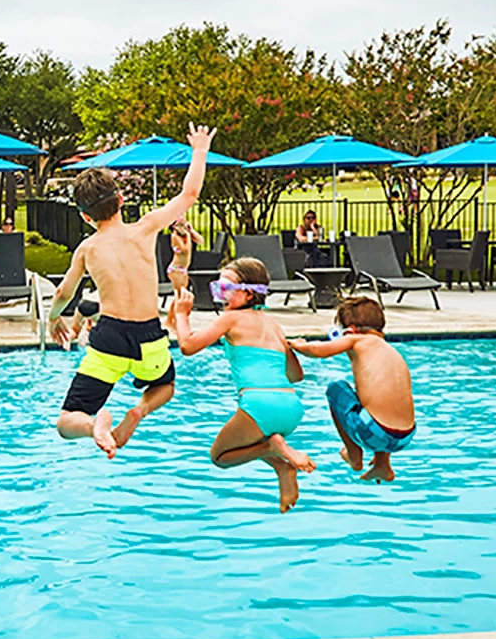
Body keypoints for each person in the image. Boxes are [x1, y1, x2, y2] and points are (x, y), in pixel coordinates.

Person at [49, 125, 214, 457]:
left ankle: (93, 425)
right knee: (164, 385)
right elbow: (189, 195)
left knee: (67, 421)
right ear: (121, 199)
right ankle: (138, 411)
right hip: (149, 336)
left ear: (84, 217)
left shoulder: (87, 248)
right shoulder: (146, 228)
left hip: (109, 337)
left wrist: (54, 320)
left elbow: (64, 292)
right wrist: (199, 151)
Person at [170, 257, 316, 512]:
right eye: (218, 288)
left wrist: (182, 315)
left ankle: (275, 447)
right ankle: (281, 466)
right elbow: (296, 375)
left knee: (220, 457)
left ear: (249, 294)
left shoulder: (230, 320)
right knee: (256, 442)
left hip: (259, 404)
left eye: (226, 289)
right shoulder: (274, 325)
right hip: (291, 407)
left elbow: (187, 346)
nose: (220, 296)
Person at [293, 295, 416, 482]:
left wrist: (299, 345)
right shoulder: (391, 351)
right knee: (371, 404)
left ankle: (354, 455)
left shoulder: (356, 340)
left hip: (374, 432)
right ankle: (383, 465)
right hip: (404, 436)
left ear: (350, 330)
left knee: (337, 389)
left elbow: (319, 351)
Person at [165, 219, 203, 297]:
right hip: (176, 269)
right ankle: (176, 309)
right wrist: (188, 236)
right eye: (182, 225)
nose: (184, 227)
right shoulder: (175, 237)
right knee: (180, 295)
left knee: (183, 294)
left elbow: (201, 241)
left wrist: (191, 231)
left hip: (183, 268)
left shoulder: (185, 236)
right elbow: (185, 250)